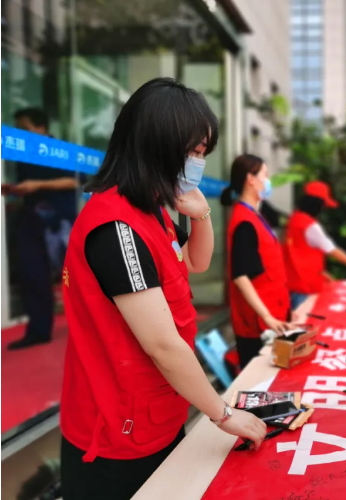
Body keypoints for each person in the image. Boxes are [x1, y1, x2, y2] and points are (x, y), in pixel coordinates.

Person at [59, 78, 266, 500]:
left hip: (158, 413)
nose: (198, 163)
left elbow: (193, 262)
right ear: (157, 143)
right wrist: (223, 414)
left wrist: (201, 214)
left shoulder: (151, 210)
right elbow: (162, 345)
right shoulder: (116, 226)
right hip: (118, 434)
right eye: (194, 151)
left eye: (203, 153)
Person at [2, 108, 83, 350]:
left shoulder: (59, 150)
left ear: (41, 128)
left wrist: (37, 185)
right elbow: (29, 187)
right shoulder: (22, 156)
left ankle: (94, 323)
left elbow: (75, 180)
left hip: (59, 222)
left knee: (75, 276)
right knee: (32, 274)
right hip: (31, 220)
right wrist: (15, 190)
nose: (20, 133)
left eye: (24, 128)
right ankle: (38, 330)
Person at [221, 154, 292, 369]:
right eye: (265, 175)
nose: (268, 181)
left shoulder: (255, 216)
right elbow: (240, 276)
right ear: (250, 179)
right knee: (260, 384)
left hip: (272, 318)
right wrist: (267, 316)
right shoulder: (244, 222)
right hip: (258, 325)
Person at [283, 181, 346, 310]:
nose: (323, 209)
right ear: (316, 204)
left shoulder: (294, 219)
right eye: (323, 205)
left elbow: (298, 251)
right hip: (305, 287)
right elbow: (333, 251)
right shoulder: (310, 226)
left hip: (292, 283)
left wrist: (321, 272)